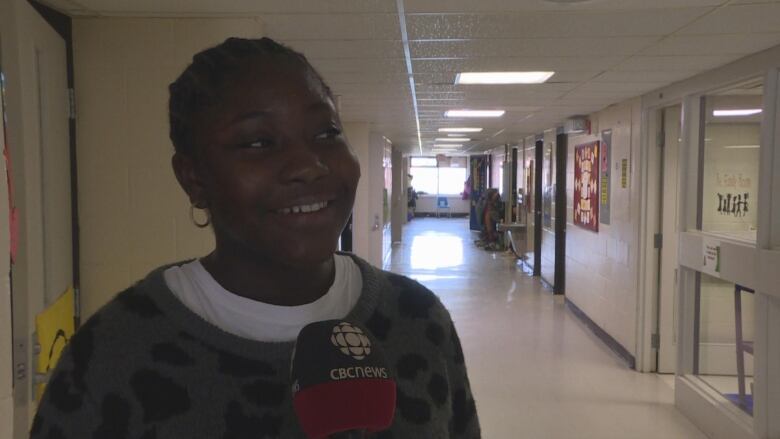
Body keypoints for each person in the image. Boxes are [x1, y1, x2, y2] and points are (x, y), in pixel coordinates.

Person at [30, 37, 480, 438]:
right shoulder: (113, 354)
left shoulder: (418, 320)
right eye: (258, 143)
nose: (309, 165)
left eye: (326, 133)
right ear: (194, 178)